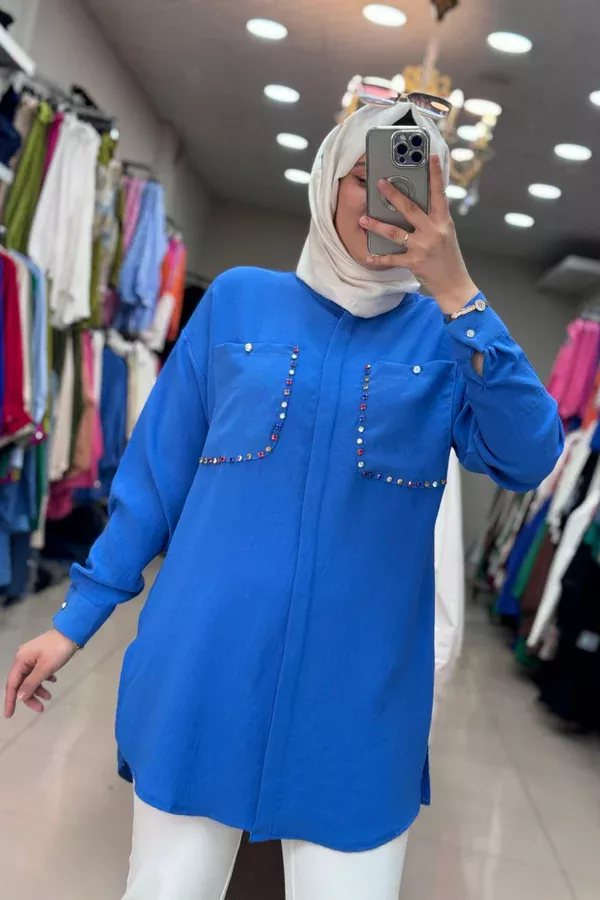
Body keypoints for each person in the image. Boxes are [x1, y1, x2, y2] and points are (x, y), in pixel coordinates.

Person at [4, 98, 563, 900]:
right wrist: (73, 621)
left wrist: (461, 297)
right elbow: (155, 482)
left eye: (415, 186)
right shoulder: (237, 302)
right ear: (328, 180)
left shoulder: (446, 340)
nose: (387, 201)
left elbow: (530, 455)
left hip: (358, 704)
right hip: (203, 672)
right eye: (365, 178)